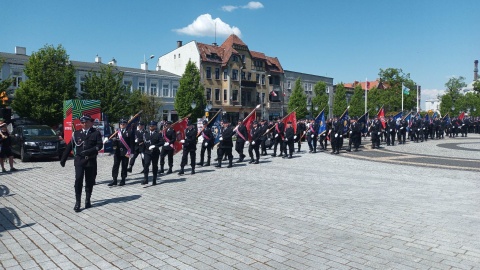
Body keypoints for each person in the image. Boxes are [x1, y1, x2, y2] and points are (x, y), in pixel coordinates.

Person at [60, 115, 103, 212]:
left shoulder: (95, 133)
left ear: (89, 122)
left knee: (89, 181)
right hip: (79, 160)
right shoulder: (76, 133)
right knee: (78, 180)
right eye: (82, 122)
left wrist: (89, 151)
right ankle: (77, 202)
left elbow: (99, 145)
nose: (84, 124)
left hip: (90, 160)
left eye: (86, 122)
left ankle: (87, 200)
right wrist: (63, 159)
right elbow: (70, 146)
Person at [106, 119, 133, 186]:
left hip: (126, 151)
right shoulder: (117, 132)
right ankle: (114, 180)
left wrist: (132, 152)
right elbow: (110, 136)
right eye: (121, 124)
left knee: (124, 166)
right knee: (115, 166)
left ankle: (123, 180)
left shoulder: (129, 132)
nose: (122, 125)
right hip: (117, 151)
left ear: (126, 124)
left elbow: (132, 143)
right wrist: (107, 138)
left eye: (124, 124)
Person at [142, 121, 163, 185]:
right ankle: (146, 179)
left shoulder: (158, 134)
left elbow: (162, 142)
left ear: (155, 126)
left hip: (155, 152)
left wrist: (155, 146)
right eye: (150, 126)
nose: (151, 127)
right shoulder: (146, 134)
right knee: (146, 164)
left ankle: (154, 179)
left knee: (154, 166)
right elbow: (144, 144)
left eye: (152, 126)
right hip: (147, 152)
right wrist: (142, 152)